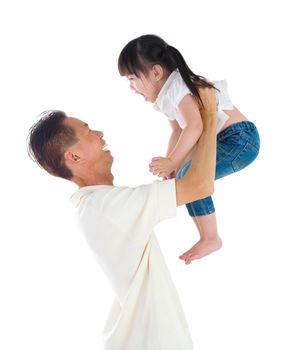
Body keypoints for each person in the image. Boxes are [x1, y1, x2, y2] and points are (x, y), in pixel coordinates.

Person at [27, 87, 217, 350]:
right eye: (89, 131)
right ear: (74, 157)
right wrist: (206, 117)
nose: (100, 133)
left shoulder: (99, 204)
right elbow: (200, 185)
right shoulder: (107, 206)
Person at [118, 34, 260, 264]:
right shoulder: (166, 95)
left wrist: (175, 162)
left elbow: (195, 127)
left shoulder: (178, 87)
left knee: (191, 178)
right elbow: (177, 132)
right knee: (185, 178)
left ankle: (210, 237)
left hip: (239, 139)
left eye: (133, 78)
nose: (132, 88)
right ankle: (208, 236)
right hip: (226, 139)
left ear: (156, 72)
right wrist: (170, 163)